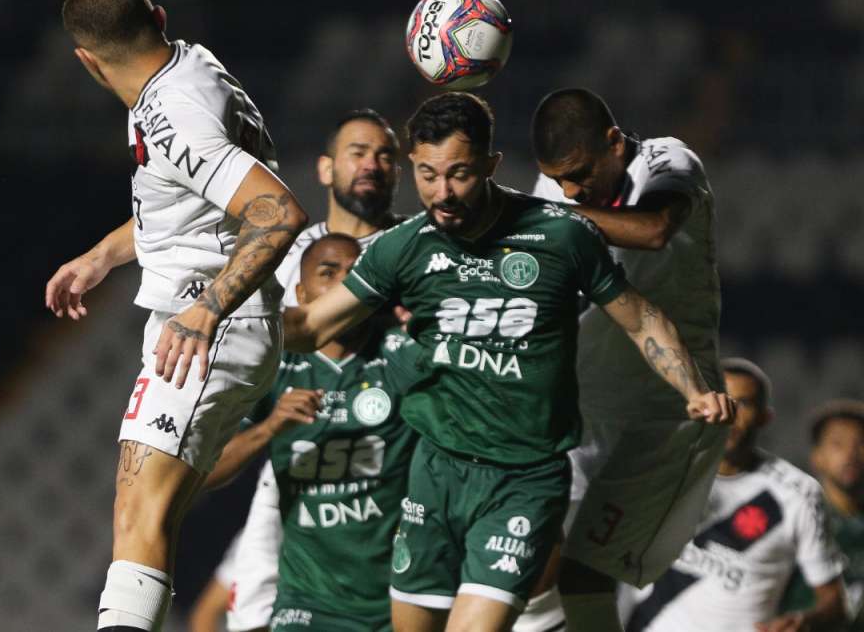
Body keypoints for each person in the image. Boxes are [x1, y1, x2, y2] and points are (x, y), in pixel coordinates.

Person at [282, 92, 734, 632]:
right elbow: (309, 326)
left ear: (491, 166)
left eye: (459, 174)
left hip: (524, 479)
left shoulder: (559, 233)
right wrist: (217, 315)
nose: (443, 193)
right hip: (436, 473)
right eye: (427, 175)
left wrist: (694, 389)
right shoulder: (402, 247)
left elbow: (639, 317)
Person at [44, 0, 307, 632]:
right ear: (158, 17)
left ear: (84, 61)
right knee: (144, 507)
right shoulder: (187, 69)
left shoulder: (174, 115)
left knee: (142, 515)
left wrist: (205, 310)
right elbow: (192, 205)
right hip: (205, 320)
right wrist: (103, 255)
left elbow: (277, 213)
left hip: (207, 324)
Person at [524, 87, 727, 632]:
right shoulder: (555, 189)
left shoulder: (669, 161)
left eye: (580, 173)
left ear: (614, 142)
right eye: (559, 178)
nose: (571, 189)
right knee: (529, 569)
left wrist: (537, 212)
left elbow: (654, 230)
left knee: (584, 576)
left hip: (668, 416)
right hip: (582, 416)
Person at [203, 233, 418, 631]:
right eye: (329, 273)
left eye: (355, 274)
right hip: (305, 601)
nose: (344, 286)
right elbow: (205, 472)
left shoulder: (399, 352)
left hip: (395, 602)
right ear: (301, 294)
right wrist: (270, 428)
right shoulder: (276, 367)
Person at [624, 358, 847, 632]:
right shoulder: (660, 471)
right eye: (720, 400)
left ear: (765, 418)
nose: (728, 414)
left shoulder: (798, 493)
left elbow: (835, 603)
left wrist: (804, 621)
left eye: (742, 404)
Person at [273, 108, 402, 307]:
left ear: (397, 175)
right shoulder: (287, 259)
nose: (372, 165)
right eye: (358, 153)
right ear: (326, 170)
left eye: (385, 158)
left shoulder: (418, 244)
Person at [782, 398, 864, 628]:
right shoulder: (791, 519)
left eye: (861, 443)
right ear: (817, 457)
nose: (851, 454)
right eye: (838, 444)